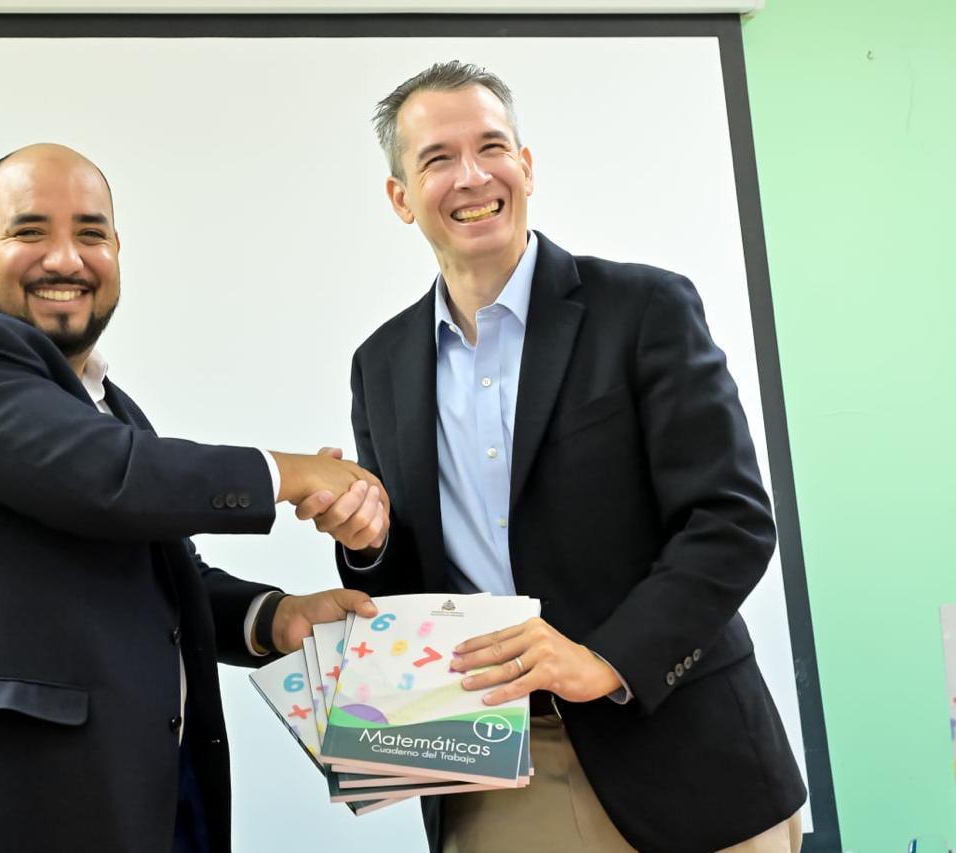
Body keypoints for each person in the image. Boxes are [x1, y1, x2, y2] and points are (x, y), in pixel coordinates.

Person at [308, 61, 808, 851]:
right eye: (438, 158)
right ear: (401, 198)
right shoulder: (380, 365)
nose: (473, 176)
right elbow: (410, 581)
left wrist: (605, 659)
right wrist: (365, 542)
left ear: (526, 165)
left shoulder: (644, 308)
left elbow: (730, 520)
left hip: (682, 751)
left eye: (491, 147)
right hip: (491, 765)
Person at [0, 143, 388, 853]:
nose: (66, 258)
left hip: (137, 799)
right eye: (30, 231)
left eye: (90, 234)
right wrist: (289, 474)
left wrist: (275, 618)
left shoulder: (110, 408)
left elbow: (159, 572)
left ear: (117, 251)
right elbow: (108, 478)